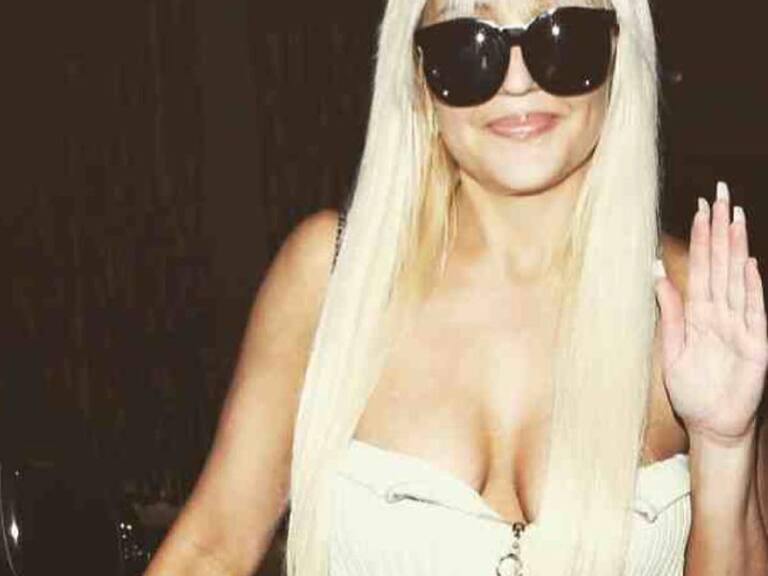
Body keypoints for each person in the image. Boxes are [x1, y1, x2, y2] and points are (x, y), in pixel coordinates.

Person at [144, 0, 768, 574]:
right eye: (468, 46)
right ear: (418, 77)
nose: (518, 81)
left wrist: (724, 442)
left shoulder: (697, 300)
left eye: (562, 36)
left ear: (619, 55)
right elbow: (211, 549)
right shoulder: (333, 277)